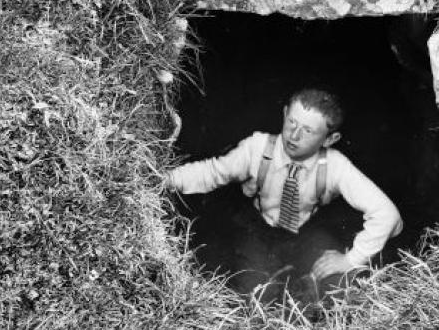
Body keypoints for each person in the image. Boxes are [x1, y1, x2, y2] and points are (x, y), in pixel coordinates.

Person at [165, 88, 402, 301]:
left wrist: (351, 259)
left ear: (330, 139)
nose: (294, 136)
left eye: (308, 130)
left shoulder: (336, 166)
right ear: (284, 113)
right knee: (257, 294)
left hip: (306, 231)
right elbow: (213, 172)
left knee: (337, 287)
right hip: (257, 228)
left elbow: (388, 215)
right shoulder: (258, 147)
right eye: (292, 122)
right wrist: (164, 179)